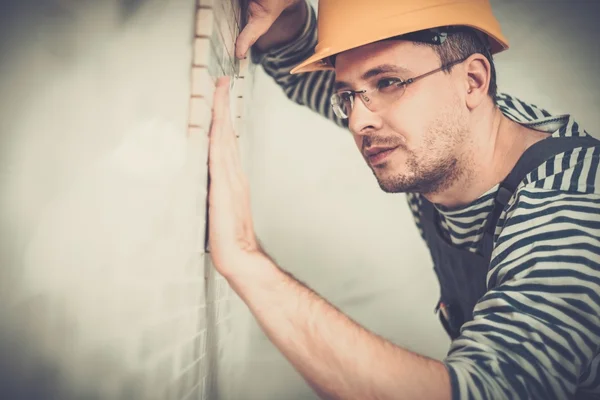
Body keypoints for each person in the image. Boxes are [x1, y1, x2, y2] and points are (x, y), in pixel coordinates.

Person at [204, 0, 600, 398]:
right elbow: (302, 60)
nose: (359, 122)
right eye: (348, 97)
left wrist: (244, 258)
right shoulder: (459, 130)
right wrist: (286, 13)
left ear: (473, 80)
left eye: (389, 83)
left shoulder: (571, 210)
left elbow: (486, 392)